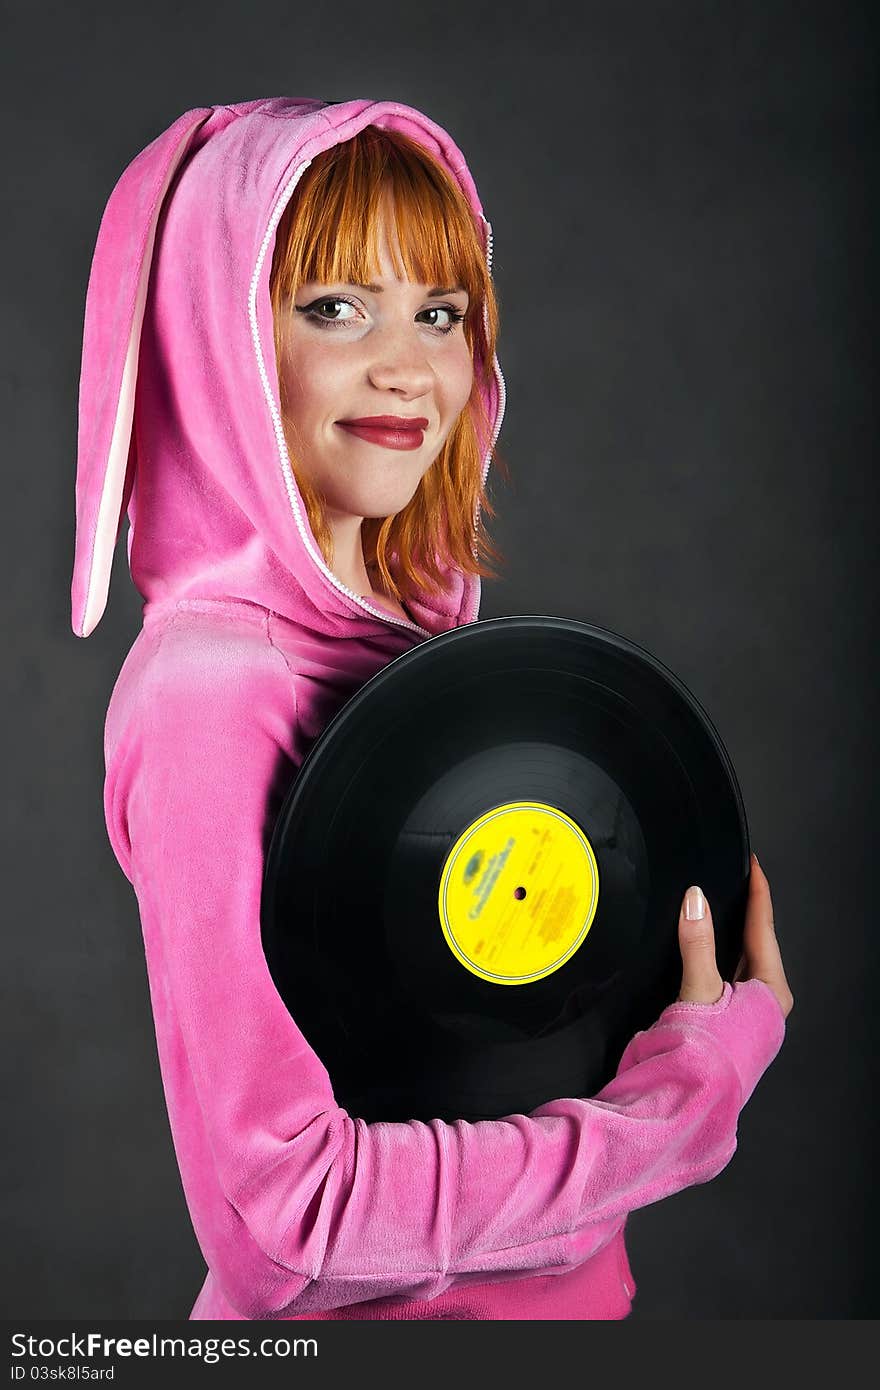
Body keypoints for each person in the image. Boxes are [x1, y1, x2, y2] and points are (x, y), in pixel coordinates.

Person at [71, 96, 793, 1321]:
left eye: (440, 312)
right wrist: (678, 1106)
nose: (407, 365)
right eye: (334, 307)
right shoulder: (211, 693)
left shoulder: (413, 636)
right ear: (215, 334)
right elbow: (284, 1225)